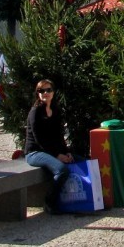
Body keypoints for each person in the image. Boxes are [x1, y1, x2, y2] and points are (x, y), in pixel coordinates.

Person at [24, 79, 78, 215]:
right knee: (62, 170)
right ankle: (50, 202)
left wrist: (66, 152)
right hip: (35, 152)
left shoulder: (55, 111)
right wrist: (57, 155)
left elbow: (59, 136)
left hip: (51, 151)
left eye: (48, 90)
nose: (45, 93)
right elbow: (39, 140)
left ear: (53, 93)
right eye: (42, 91)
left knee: (81, 160)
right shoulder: (35, 112)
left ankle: (89, 200)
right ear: (38, 93)